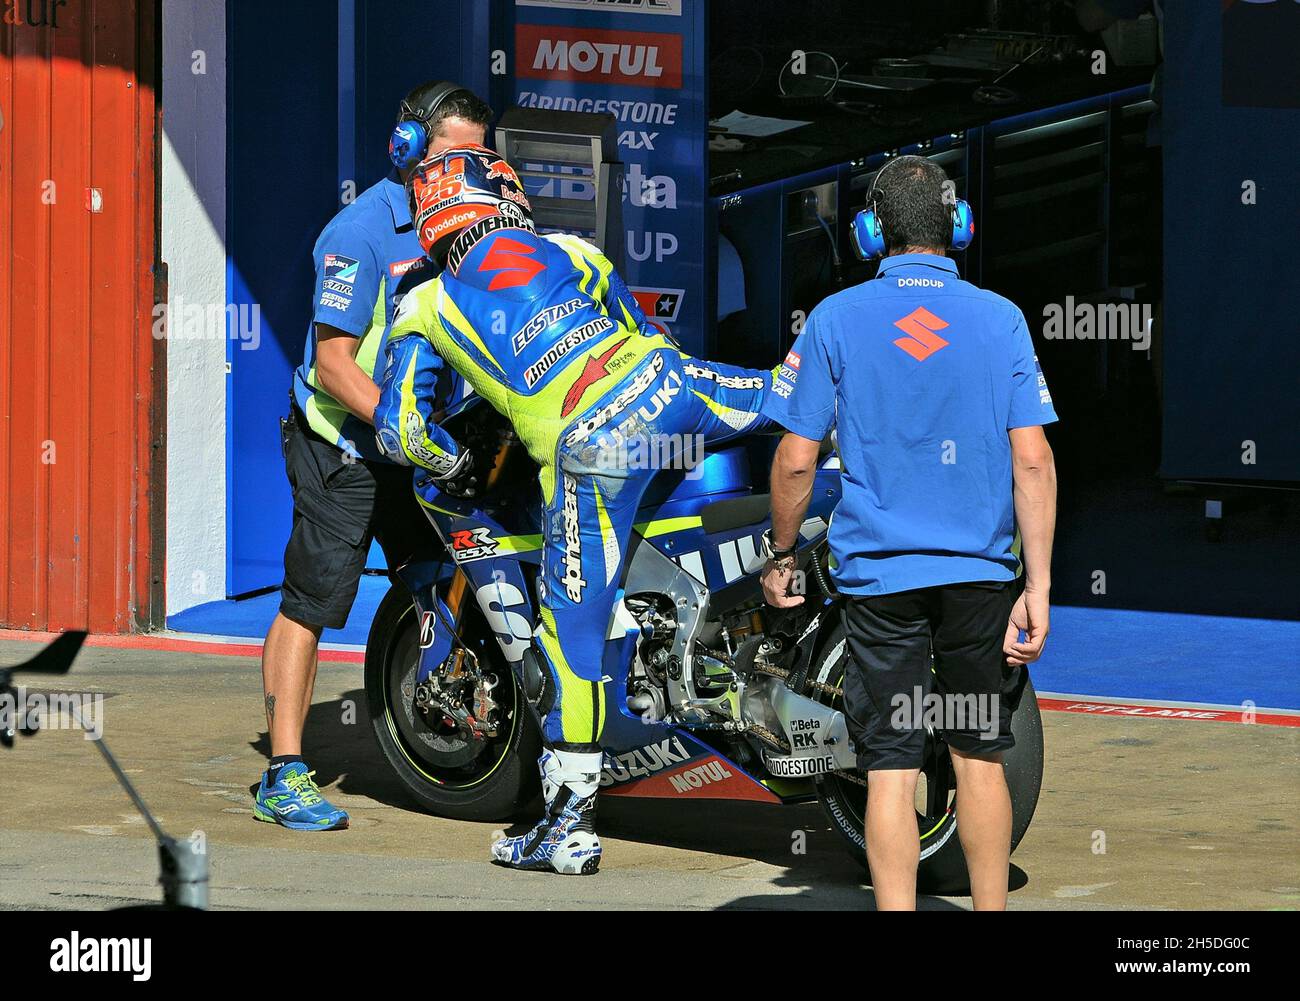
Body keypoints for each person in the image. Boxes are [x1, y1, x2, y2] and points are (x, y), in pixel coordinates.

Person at [372, 143, 774, 874]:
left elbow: (400, 430)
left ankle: (570, 827)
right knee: (795, 395)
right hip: (670, 384)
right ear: (506, 195)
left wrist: (453, 461)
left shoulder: (423, 302)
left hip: (591, 448)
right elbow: (647, 332)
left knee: (568, 639)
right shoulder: (573, 250)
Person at [759, 155, 1058, 909]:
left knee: (889, 768)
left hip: (880, 584)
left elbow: (795, 461)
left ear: (869, 232)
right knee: (978, 758)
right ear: (958, 227)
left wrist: (782, 554)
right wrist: (1040, 586)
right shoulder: (1001, 319)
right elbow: (1033, 458)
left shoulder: (834, 319)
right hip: (980, 578)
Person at [253, 82, 493, 831]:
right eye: (457, 155)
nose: (471, 171)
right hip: (343, 445)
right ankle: (284, 772)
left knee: (455, 573)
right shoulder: (358, 233)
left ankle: (449, 723)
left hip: (418, 445)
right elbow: (335, 367)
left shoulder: (478, 226)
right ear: (407, 148)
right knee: (316, 598)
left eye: (481, 158)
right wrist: (403, 427)